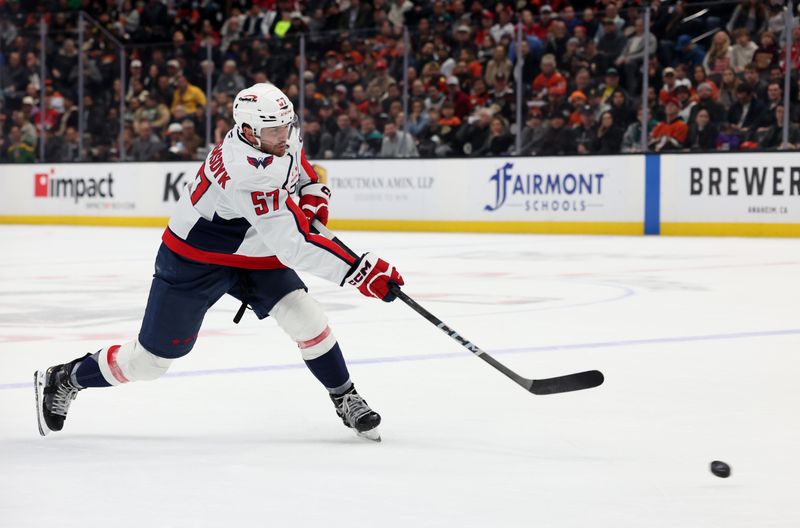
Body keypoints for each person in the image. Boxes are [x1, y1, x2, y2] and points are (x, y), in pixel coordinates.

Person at [34, 84, 404, 442]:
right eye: (275, 130)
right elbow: (293, 244)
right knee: (150, 361)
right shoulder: (246, 171)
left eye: (287, 126)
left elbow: (300, 168)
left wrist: (313, 193)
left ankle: (344, 395)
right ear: (247, 131)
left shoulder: (274, 134)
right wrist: (361, 270)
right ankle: (67, 377)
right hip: (195, 259)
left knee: (305, 316)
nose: (285, 135)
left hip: (253, 249)